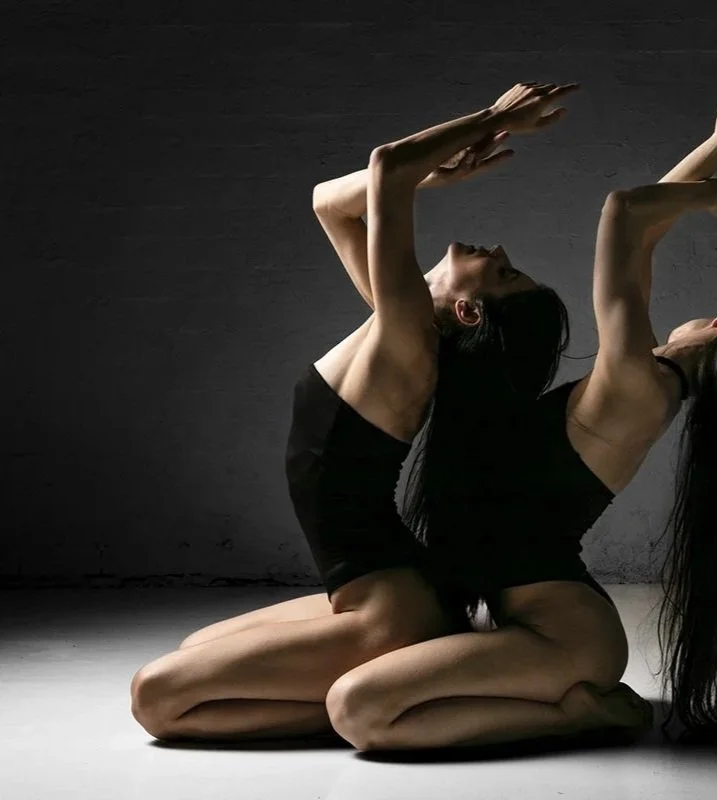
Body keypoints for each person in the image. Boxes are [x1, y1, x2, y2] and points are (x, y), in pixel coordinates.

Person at [324, 45, 717, 750]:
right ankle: (569, 699)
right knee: (360, 705)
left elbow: (625, 214)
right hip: (549, 626)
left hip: (564, 638)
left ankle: (588, 711)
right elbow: (645, 233)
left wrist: (704, 195)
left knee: (361, 711)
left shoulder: (638, 387)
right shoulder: (646, 382)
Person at [129, 82, 578, 741]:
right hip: (378, 595)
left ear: (470, 312)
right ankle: (385, 686)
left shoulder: (409, 343)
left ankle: (394, 687)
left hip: (388, 611)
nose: (502, 254)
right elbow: (330, 206)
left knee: (155, 698)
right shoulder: (399, 325)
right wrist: (428, 177)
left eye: (506, 275)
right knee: (195, 654)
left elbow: (387, 165)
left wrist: (493, 118)